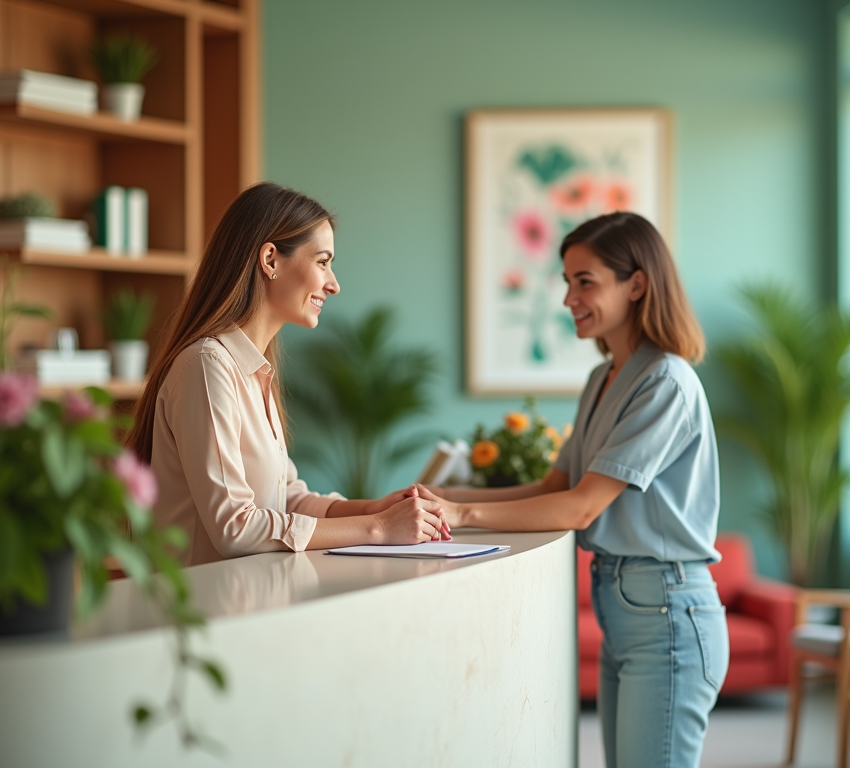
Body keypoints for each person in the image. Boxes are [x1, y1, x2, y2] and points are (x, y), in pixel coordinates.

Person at [420, 212, 728, 768]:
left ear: (636, 284)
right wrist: (439, 500)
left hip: (666, 612)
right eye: (567, 282)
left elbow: (583, 506)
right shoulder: (603, 378)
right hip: (625, 606)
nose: (569, 298)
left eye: (585, 281)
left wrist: (459, 514)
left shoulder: (665, 382)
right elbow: (554, 485)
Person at [127, 182, 449, 565]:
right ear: (270, 260)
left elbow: (288, 498)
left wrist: (372, 509)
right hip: (206, 614)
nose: (334, 284)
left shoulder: (254, 371)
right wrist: (378, 528)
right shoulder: (207, 366)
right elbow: (235, 528)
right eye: (323, 262)